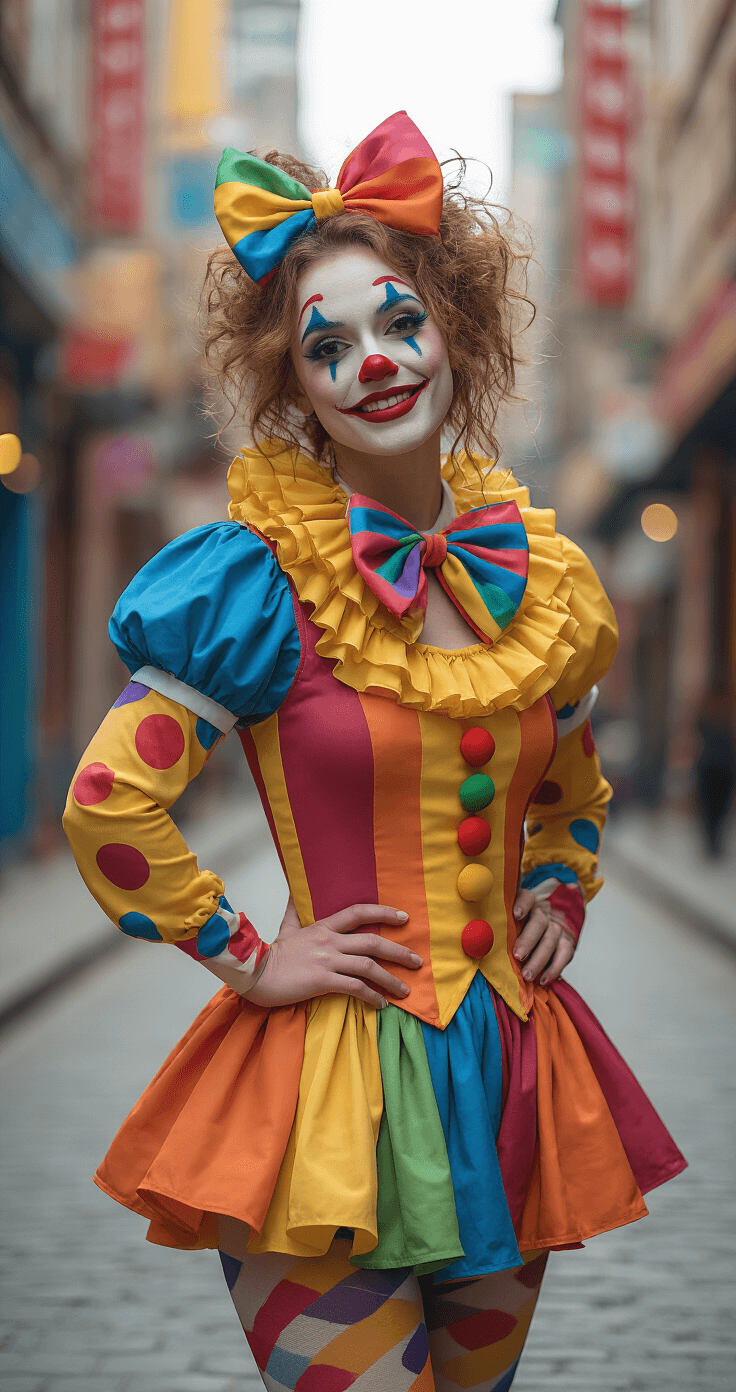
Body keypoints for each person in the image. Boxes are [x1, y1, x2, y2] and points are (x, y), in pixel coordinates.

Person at [63, 112, 685, 1391]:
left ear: (456, 329)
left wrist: (559, 883)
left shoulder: (545, 585)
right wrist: (249, 956)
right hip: (322, 1087)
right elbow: (109, 803)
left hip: (507, 1068)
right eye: (326, 346)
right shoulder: (255, 579)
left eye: (401, 323)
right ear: (294, 387)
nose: (375, 363)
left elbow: (571, 781)